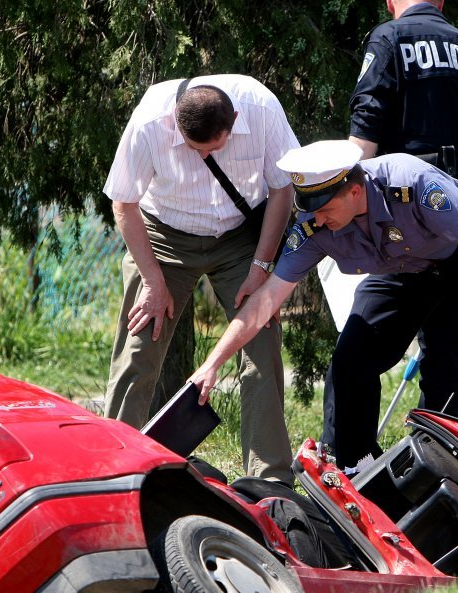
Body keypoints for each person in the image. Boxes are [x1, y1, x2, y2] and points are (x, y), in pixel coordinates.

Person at [189, 140, 458, 472]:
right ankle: (358, 468)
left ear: (354, 192)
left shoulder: (411, 183)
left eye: (325, 209)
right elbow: (266, 300)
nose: (319, 220)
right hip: (403, 270)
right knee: (351, 358)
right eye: (313, 211)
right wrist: (212, 364)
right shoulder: (314, 226)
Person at [102, 75, 299, 485]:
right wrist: (153, 282)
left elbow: (283, 190)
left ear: (236, 119)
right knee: (140, 342)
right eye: (199, 150)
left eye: (219, 146)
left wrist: (262, 266)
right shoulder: (149, 120)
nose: (211, 155)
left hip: (242, 237)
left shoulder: (261, 107)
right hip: (165, 234)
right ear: (175, 123)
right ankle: (112, 469)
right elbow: (124, 203)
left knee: (260, 342)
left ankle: (270, 481)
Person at [347, 0, 458, 424]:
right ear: (441, 3)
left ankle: (348, 466)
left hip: (412, 223)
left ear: (388, 3)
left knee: (359, 348)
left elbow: (364, 137)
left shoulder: (390, 38)